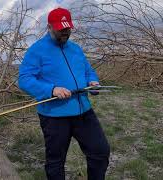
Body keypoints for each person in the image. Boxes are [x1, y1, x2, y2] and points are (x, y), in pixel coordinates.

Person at [18, 7, 110, 180]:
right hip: (54, 117)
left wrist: (93, 82)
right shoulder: (36, 50)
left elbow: (88, 71)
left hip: (83, 111)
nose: (65, 33)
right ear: (50, 27)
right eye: (61, 29)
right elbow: (24, 79)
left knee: (100, 151)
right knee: (55, 162)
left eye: (67, 29)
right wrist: (51, 89)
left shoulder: (75, 49)